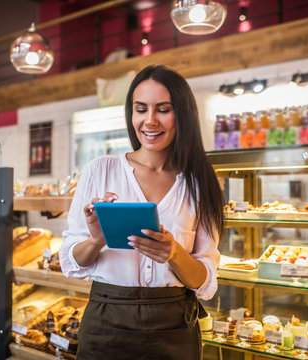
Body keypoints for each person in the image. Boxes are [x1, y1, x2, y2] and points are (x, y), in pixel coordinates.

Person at [61, 64, 224, 360]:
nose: (150, 121)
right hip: (107, 323)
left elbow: (205, 281)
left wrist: (174, 253)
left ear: (183, 115)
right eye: (141, 109)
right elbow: (71, 262)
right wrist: (97, 239)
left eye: (163, 109)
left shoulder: (199, 182)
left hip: (175, 327)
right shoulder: (101, 169)